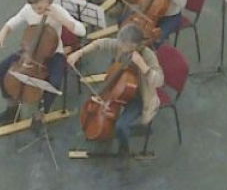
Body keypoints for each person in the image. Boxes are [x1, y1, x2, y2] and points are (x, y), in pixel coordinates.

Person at [0, 0, 87, 127]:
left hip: (54, 53)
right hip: (30, 51)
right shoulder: (29, 9)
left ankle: (41, 112)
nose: (37, 12)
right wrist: (3, 32)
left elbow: (81, 31)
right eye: (35, 9)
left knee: (54, 82)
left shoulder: (57, 10)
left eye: (40, 8)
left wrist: (61, 19)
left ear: (47, 0)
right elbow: (15, 20)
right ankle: (12, 108)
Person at [66, 23, 163, 157]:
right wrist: (79, 53)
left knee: (120, 126)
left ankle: (124, 150)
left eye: (124, 46)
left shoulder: (148, 56)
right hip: (119, 91)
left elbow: (159, 81)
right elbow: (100, 43)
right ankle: (108, 131)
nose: (120, 47)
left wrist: (143, 66)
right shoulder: (121, 45)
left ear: (134, 45)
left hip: (140, 97)